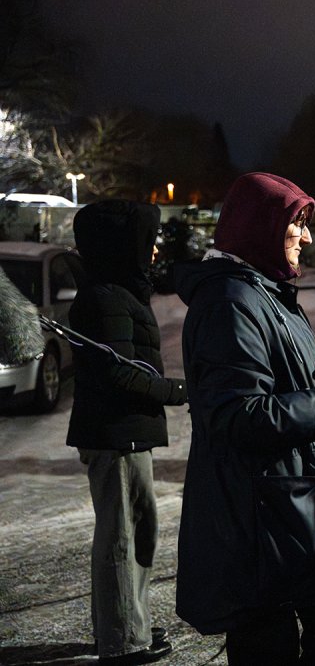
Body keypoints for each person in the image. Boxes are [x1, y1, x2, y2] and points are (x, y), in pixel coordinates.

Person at [174, 172, 315, 664]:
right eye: (298, 224)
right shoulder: (230, 302)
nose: (307, 238)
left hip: (296, 513)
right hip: (266, 527)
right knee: (283, 644)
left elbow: (276, 373)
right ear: (261, 228)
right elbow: (239, 415)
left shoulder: (261, 291)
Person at [67, 200, 187, 665]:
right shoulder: (104, 297)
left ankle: (123, 627)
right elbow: (121, 372)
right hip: (114, 436)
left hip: (126, 433)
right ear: (122, 245)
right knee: (122, 538)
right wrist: (177, 391)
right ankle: (122, 641)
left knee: (136, 533)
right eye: (146, 241)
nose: (154, 250)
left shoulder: (117, 291)